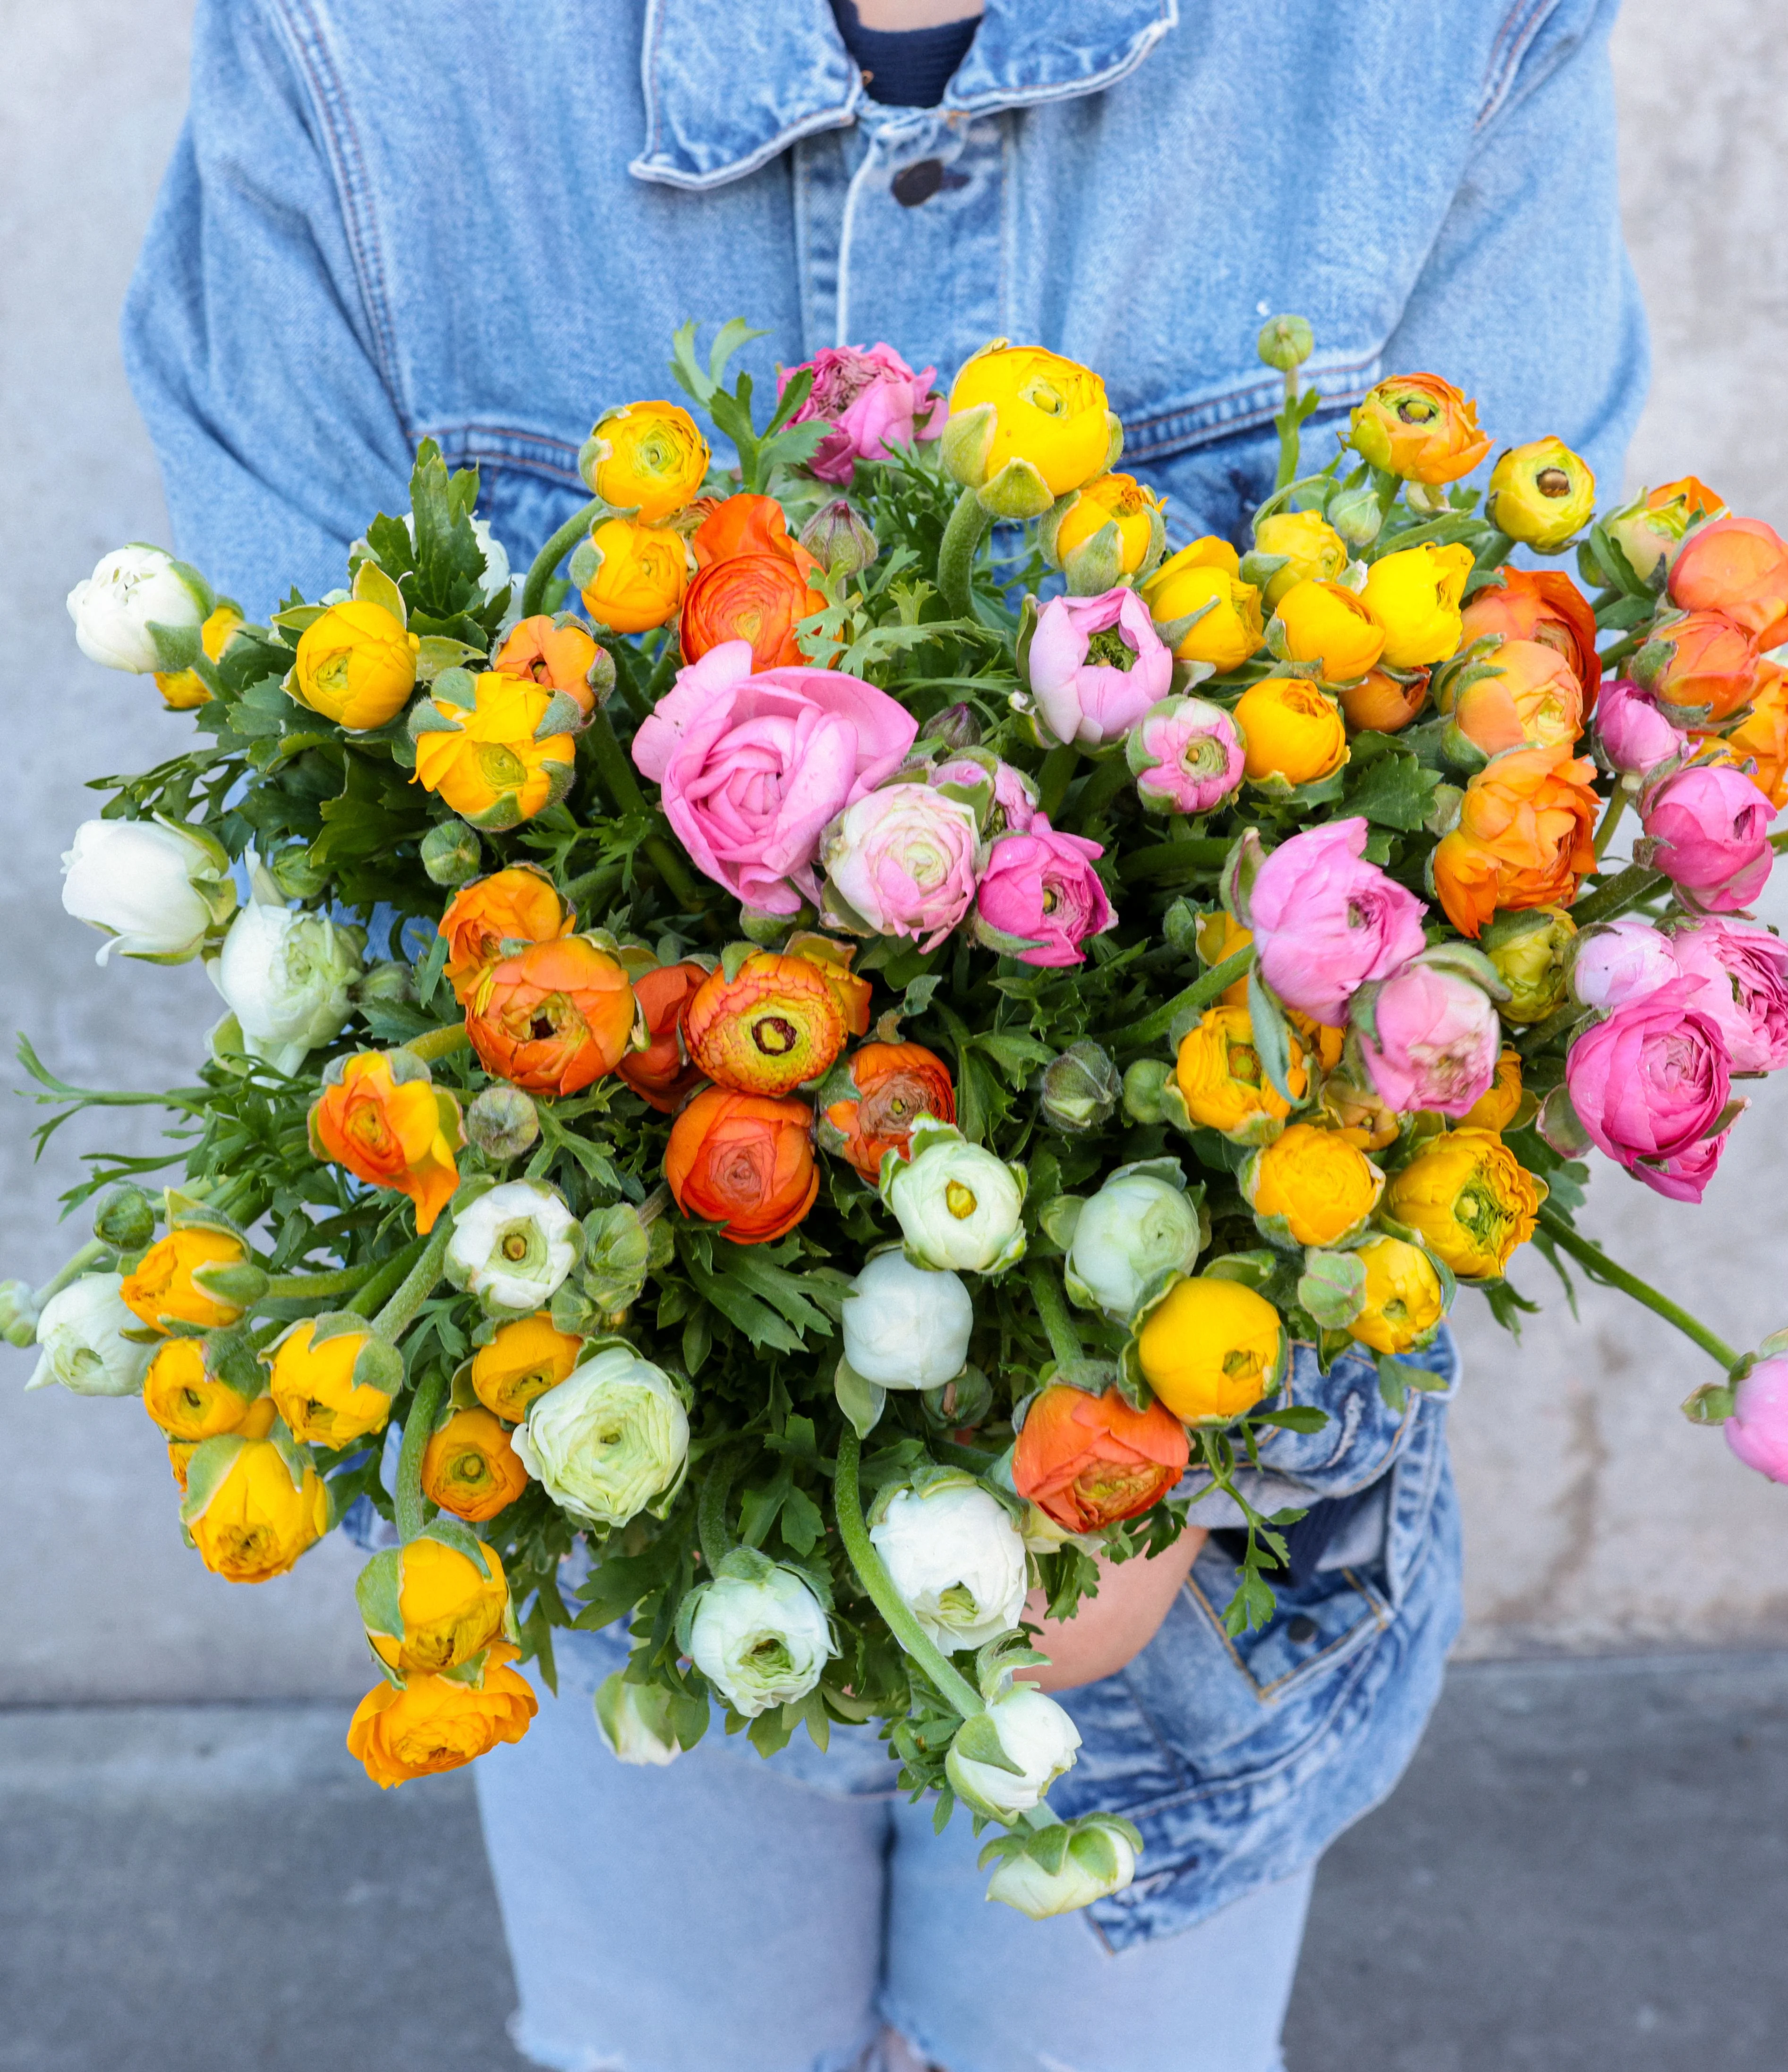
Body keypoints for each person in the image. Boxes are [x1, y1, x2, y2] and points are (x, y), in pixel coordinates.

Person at [121, 4, 1648, 2068]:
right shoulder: (367, 50)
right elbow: (324, 826)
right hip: (586, 1456)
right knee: (667, 2041)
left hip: (1175, 1524)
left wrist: (1159, 1479)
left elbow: (1500, 792)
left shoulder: (1429, 38)